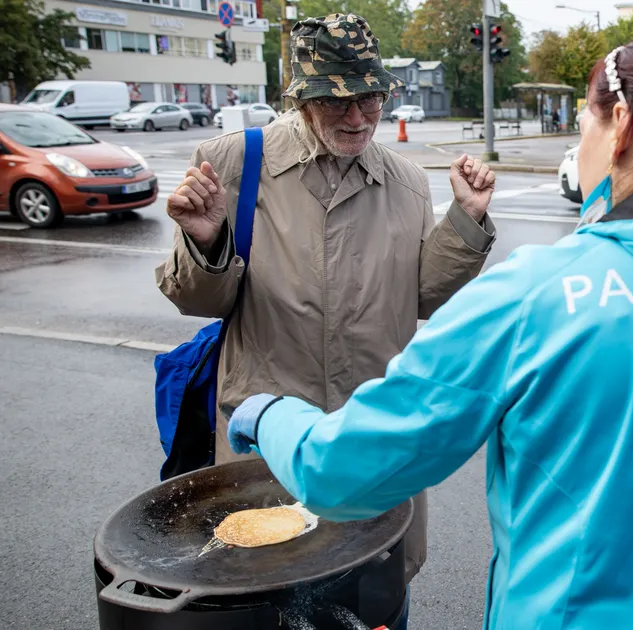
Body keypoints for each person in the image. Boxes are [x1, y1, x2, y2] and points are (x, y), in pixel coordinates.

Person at [227, 30, 633, 629]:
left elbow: (346, 471)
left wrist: (268, 414)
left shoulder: (535, 294)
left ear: (622, 125)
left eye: (584, 124)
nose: (581, 144)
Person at [154, 12, 497, 621]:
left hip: (374, 442)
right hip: (265, 444)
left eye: (370, 98)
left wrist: (465, 222)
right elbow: (199, 300)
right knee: (267, 595)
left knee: (375, 600)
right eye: (337, 101)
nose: (359, 117)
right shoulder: (233, 163)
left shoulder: (407, 182)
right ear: (300, 98)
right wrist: (206, 243)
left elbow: (420, 298)